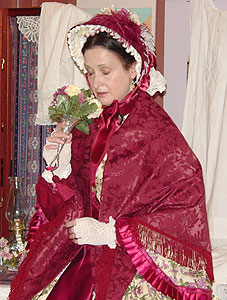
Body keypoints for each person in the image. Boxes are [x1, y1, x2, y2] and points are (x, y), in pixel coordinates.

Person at [9, 8, 214, 300]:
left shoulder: (156, 131)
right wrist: (61, 168)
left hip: (132, 265)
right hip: (84, 259)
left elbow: (185, 206)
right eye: (90, 73)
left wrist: (113, 233)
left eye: (106, 72)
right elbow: (72, 204)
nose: (96, 83)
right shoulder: (89, 122)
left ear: (133, 69)